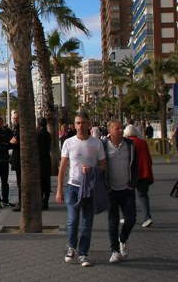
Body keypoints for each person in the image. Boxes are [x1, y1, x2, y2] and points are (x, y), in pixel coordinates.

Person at [56, 112, 106, 268]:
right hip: (73, 188)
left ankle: (83, 253)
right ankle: (71, 247)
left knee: (86, 223)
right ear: (74, 124)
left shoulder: (96, 143)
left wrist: (92, 169)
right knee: (72, 221)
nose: (80, 126)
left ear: (88, 124)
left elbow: (104, 166)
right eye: (77, 123)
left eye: (83, 123)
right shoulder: (68, 143)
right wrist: (59, 190)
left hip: (89, 188)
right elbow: (63, 167)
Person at [103, 120, 138, 264]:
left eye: (121, 128)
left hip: (127, 189)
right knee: (113, 221)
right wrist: (105, 186)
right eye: (117, 128)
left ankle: (122, 239)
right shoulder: (103, 145)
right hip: (111, 190)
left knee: (131, 219)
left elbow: (135, 164)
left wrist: (133, 183)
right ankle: (115, 251)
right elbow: (100, 165)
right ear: (110, 130)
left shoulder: (129, 145)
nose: (120, 130)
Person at [124, 124, 154, 227]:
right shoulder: (143, 142)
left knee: (128, 196)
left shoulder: (127, 143)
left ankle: (128, 217)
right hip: (144, 172)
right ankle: (147, 217)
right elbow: (148, 158)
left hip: (132, 173)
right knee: (143, 195)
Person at [37, 118, 52, 210]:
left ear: (39, 124)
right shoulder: (48, 134)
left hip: (39, 160)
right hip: (46, 159)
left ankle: (42, 201)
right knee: (46, 182)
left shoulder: (38, 135)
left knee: (41, 182)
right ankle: (45, 202)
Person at [9, 111, 21, 210]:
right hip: (18, 157)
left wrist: (11, 141)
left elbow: (14, 142)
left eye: (16, 118)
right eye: (14, 118)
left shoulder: (18, 129)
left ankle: (21, 202)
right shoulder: (16, 129)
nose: (15, 120)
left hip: (19, 158)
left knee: (20, 182)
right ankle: (21, 201)